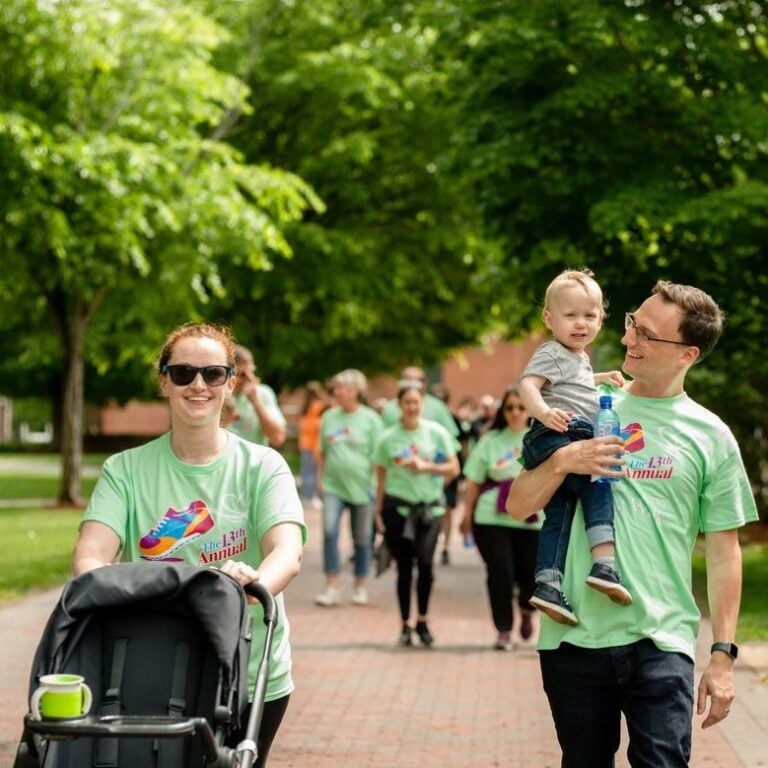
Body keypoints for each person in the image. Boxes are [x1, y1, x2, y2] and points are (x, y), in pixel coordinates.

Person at [506, 281, 758, 768]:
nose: (627, 340)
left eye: (645, 334)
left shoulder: (711, 435)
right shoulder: (580, 404)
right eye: (630, 325)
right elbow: (519, 505)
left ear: (687, 353)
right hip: (574, 636)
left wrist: (723, 655)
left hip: (662, 639)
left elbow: (725, 552)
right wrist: (564, 461)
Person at [72, 322, 306, 767]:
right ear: (164, 381)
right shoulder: (125, 470)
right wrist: (102, 581)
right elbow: (91, 554)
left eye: (213, 373)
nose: (198, 384)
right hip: (151, 664)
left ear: (230, 382)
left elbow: (287, 551)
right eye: (182, 373)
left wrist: (251, 583)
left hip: (249, 670)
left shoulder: (262, 467)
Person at [519, 268, 628, 626]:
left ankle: (547, 582)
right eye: (570, 316)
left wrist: (600, 378)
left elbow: (573, 383)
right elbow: (528, 386)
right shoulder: (551, 351)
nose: (580, 324)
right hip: (557, 433)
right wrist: (544, 412)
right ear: (549, 319)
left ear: (601, 318)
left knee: (560, 512)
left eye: (590, 316)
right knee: (600, 483)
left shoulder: (577, 357)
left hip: (563, 435)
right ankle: (604, 564)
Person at [374, 379, 460, 647]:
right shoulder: (387, 438)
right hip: (397, 509)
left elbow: (453, 469)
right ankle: (404, 625)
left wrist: (426, 467)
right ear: (399, 405)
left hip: (428, 510)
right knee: (403, 569)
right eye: (406, 402)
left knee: (425, 565)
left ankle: (422, 619)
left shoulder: (436, 434)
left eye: (416, 402)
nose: (411, 407)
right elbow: (380, 478)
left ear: (423, 404)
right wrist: (377, 513)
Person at [460, 385, 540, 651]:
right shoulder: (490, 439)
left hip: (532, 516)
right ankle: (503, 629)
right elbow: (473, 481)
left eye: (521, 406)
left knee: (530, 575)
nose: (515, 412)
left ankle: (527, 610)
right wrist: (466, 516)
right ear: (502, 411)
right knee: (500, 573)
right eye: (509, 408)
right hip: (492, 516)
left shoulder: (540, 436)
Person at [314, 369, 383, 607]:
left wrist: (377, 488)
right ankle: (332, 586)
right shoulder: (329, 417)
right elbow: (322, 451)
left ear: (354, 391)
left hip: (363, 489)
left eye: (341, 388)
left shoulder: (371, 420)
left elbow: (379, 458)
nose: (336, 392)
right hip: (334, 486)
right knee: (329, 533)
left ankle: (360, 586)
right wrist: (319, 479)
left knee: (362, 539)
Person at [227, 344, 287, 448]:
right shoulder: (217, 395)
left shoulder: (263, 393)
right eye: (242, 374)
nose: (249, 378)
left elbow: (277, 438)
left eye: (251, 372)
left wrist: (256, 402)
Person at [379, 366, 460, 439]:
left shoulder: (438, 407)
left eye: (418, 381)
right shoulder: (390, 408)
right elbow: (383, 437)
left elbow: (451, 436)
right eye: (408, 380)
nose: (413, 384)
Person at [297, 380, 328, 507]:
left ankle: (306, 495)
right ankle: (312, 495)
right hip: (314, 444)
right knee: (315, 471)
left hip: (304, 444)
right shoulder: (318, 406)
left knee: (306, 471)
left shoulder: (304, 408)